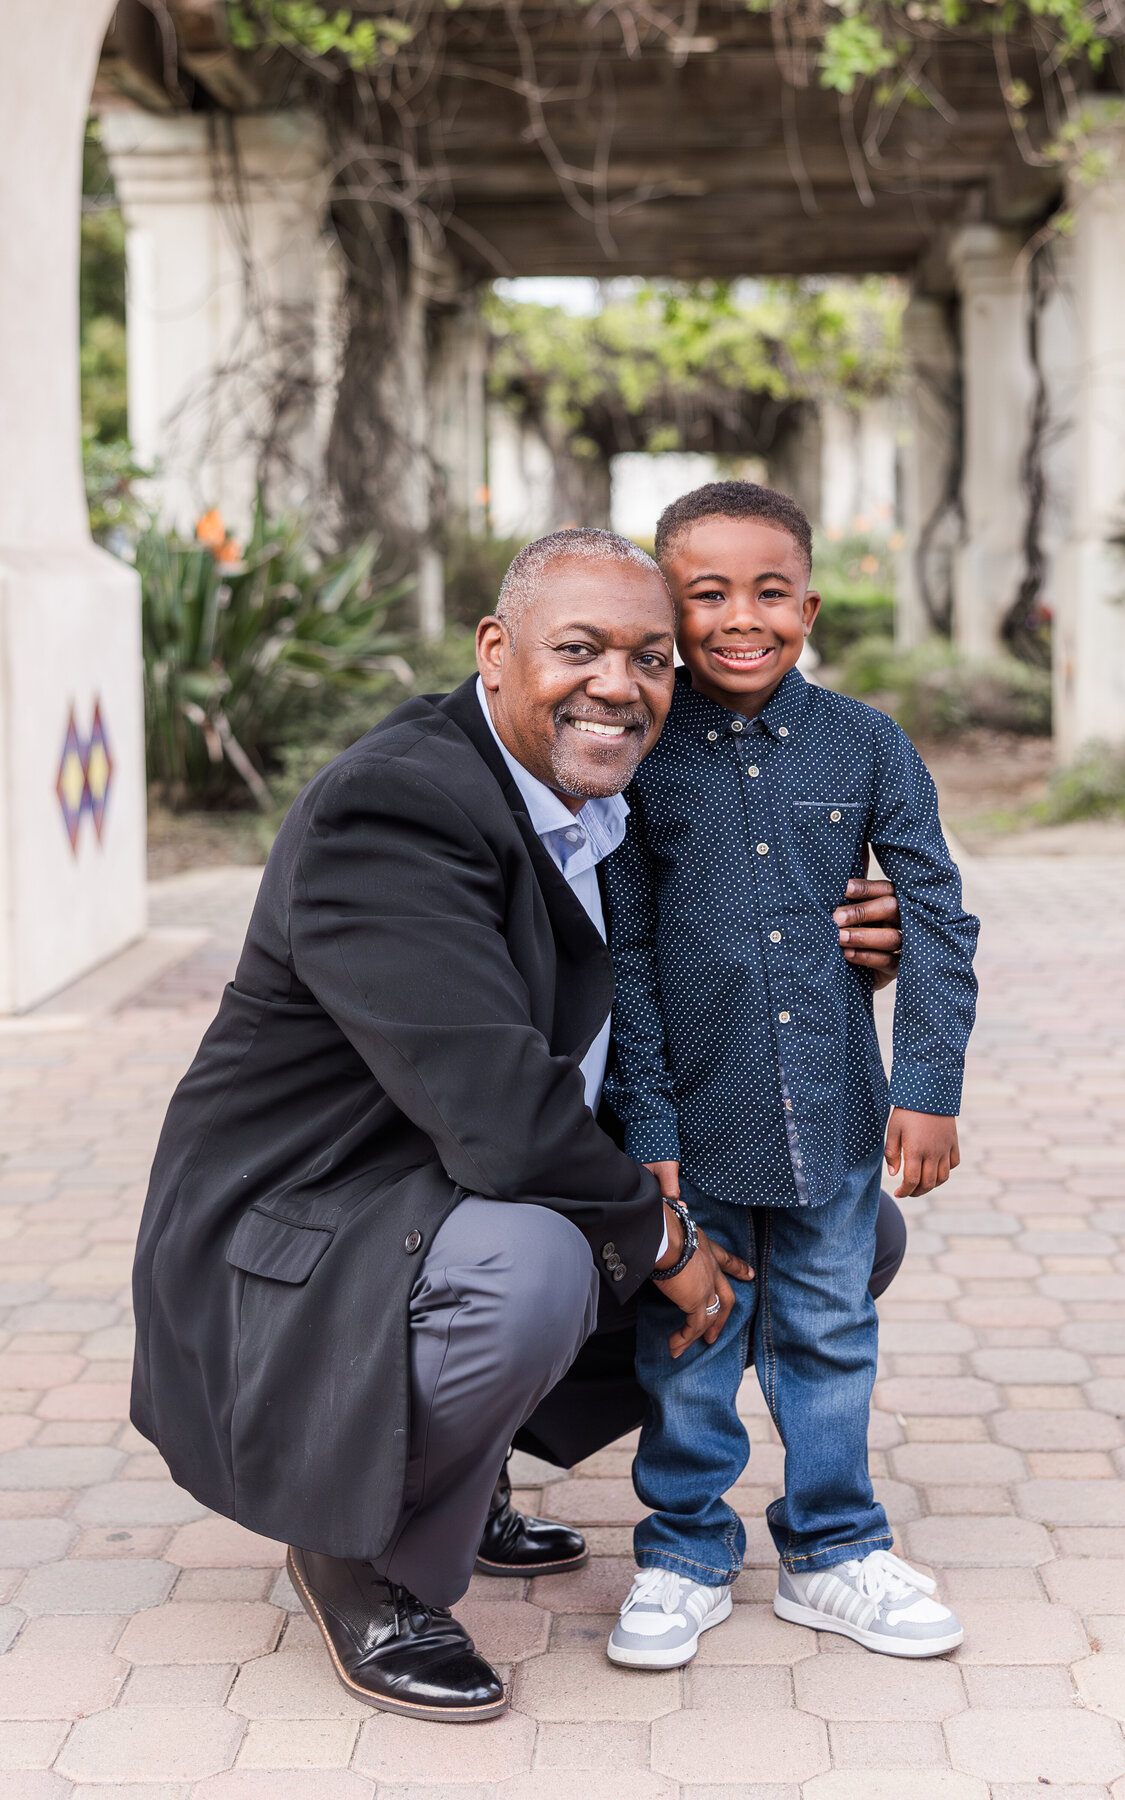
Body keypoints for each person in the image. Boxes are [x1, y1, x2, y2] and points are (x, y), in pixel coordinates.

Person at [130, 527, 907, 1724]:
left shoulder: (602, 781)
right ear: (496, 651)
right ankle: (362, 1554)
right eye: (579, 649)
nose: (619, 685)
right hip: (317, 1227)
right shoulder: (394, 806)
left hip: (459, 1194)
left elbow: (725, 913)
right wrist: (663, 1242)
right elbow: (495, 1110)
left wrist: (860, 926)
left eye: (652, 659)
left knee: (835, 1234)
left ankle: (460, 1463)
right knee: (543, 1266)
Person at [603, 482, 980, 1670]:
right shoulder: (641, 759)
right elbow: (626, 957)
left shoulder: (867, 743)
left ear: (809, 605)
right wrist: (647, 1119)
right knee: (692, 1337)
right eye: (705, 593)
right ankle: (682, 1551)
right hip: (693, 1120)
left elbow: (932, 914)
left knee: (828, 1327)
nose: (739, 617)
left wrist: (928, 1082)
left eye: (769, 591)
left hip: (830, 1107)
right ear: (667, 607)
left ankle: (833, 1549)